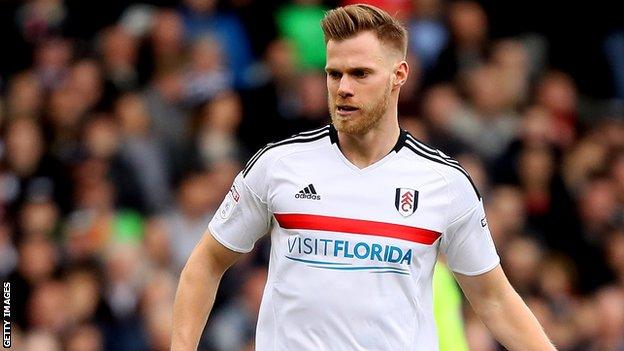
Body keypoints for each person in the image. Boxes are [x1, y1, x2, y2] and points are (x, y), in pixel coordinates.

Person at [171, 4, 556, 350]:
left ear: (398, 75)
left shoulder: (445, 184)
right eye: (334, 74)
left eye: (360, 74)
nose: (344, 88)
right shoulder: (278, 165)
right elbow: (206, 262)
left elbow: (494, 299)